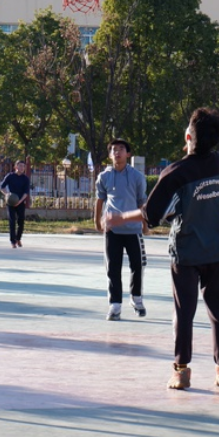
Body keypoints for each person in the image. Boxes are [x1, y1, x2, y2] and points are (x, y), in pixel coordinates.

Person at [106, 108, 219, 390]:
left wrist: (119, 218)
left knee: (183, 312)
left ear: (188, 136)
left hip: (186, 253)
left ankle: (181, 370)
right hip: (217, 251)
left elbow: (150, 214)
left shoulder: (175, 172)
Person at [94, 138, 148, 321]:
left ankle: (136, 297)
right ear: (110, 155)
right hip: (112, 231)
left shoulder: (137, 177)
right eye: (114, 150)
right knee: (113, 268)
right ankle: (115, 304)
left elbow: (142, 202)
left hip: (133, 230)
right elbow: (100, 200)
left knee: (137, 266)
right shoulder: (104, 177)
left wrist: (145, 224)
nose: (117, 152)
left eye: (121, 149)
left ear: (128, 153)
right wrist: (97, 221)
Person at [0, 160, 30, 248]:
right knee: (12, 221)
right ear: (16, 167)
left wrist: (19, 202)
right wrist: (7, 194)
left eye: (23, 166)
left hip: (20, 202)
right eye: (20, 166)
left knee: (21, 221)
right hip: (11, 202)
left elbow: (26, 193)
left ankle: (18, 238)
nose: (22, 168)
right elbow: (1, 187)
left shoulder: (25, 179)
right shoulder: (10, 176)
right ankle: (13, 241)